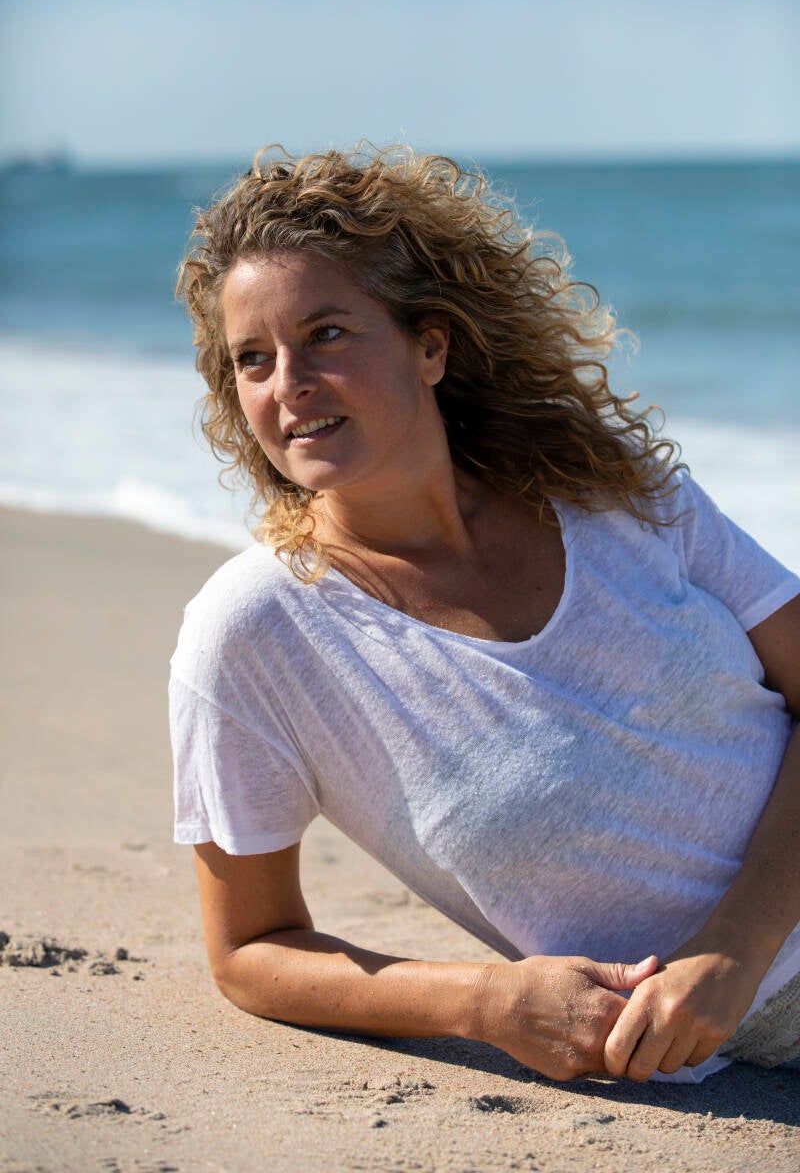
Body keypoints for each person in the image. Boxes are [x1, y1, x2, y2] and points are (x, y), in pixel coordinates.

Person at [170, 144, 800, 1084]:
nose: (288, 383)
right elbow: (249, 950)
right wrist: (486, 1002)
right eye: (251, 360)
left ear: (431, 346)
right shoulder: (256, 633)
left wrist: (734, 950)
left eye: (326, 334)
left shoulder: (613, 493)